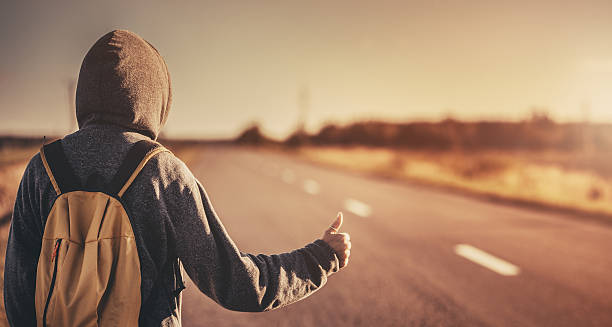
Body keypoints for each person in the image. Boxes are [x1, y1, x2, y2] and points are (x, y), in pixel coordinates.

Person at [4, 30, 351, 326]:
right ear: (154, 94)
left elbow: (19, 293)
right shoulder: (162, 172)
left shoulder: (42, 168)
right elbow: (236, 284)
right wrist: (320, 258)